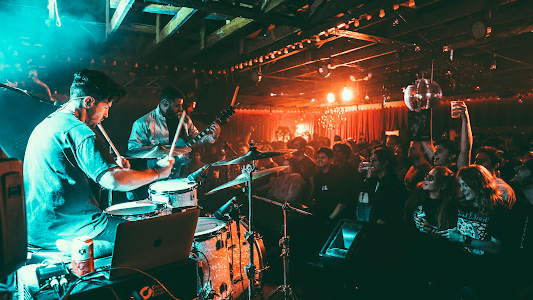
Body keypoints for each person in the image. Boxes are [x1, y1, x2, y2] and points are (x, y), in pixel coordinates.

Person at [24, 69, 175, 251]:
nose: (106, 115)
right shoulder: (80, 132)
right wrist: (158, 172)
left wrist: (112, 167)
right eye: (106, 107)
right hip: (73, 230)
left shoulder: (46, 125)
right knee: (153, 239)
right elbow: (113, 180)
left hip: (37, 231)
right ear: (88, 102)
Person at [128, 86, 220, 178]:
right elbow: (134, 150)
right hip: (155, 172)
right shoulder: (143, 123)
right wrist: (158, 154)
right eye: (177, 106)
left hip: (181, 170)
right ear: (165, 103)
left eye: (181, 105)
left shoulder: (184, 119)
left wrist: (211, 138)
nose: (180, 109)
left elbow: (195, 137)